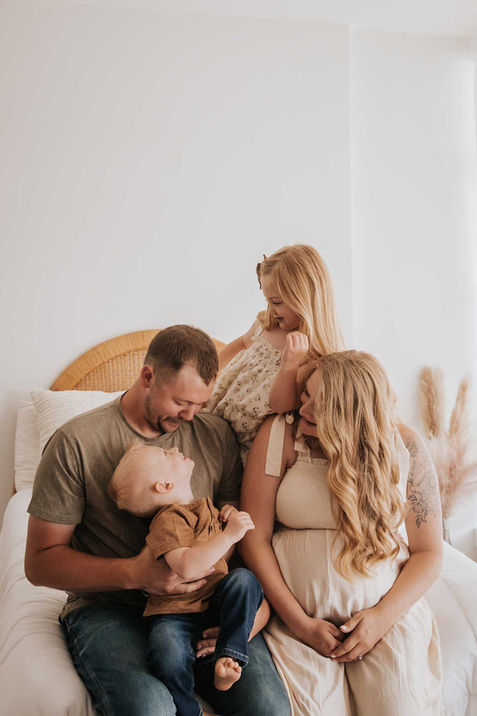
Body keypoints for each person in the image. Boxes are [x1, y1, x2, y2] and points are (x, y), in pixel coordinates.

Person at [25, 325, 290, 716]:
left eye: (200, 403)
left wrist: (256, 611)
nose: (190, 415)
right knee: (150, 709)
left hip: (204, 604)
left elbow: (237, 534)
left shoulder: (216, 435)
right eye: (181, 401)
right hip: (109, 607)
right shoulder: (74, 443)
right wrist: (136, 574)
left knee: (268, 709)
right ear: (147, 376)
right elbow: (39, 563)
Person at [241, 350, 443, 715]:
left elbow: (429, 552)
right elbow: (253, 538)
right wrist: (301, 624)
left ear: (354, 412)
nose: (303, 408)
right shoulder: (280, 434)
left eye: (320, 405)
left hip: (385, 620)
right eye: (306, 394)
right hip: (297, 624)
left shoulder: (406, 447)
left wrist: (381, 619)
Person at [109, 441, 266, 716]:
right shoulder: (167, 520)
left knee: (244, 580)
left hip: (215, 600)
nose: (173, 449)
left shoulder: (202, 508)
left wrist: (227, 518)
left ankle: (229, 657)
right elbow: (187, 567)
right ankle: (189, 709)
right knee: (166, 652)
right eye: (165, 454)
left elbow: (212, 546)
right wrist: (229, 535)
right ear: (164, 485)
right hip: (175, 612)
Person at [207, 244, 344, 464]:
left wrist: (289, 364)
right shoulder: (265, 325)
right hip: (216, 413)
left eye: (277, 302)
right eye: (268, 301)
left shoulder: (311, 355)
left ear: (304, 299)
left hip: (243, 442)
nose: (271, 309)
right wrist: (207, 376)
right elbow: (240, 344)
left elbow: (280, 404)